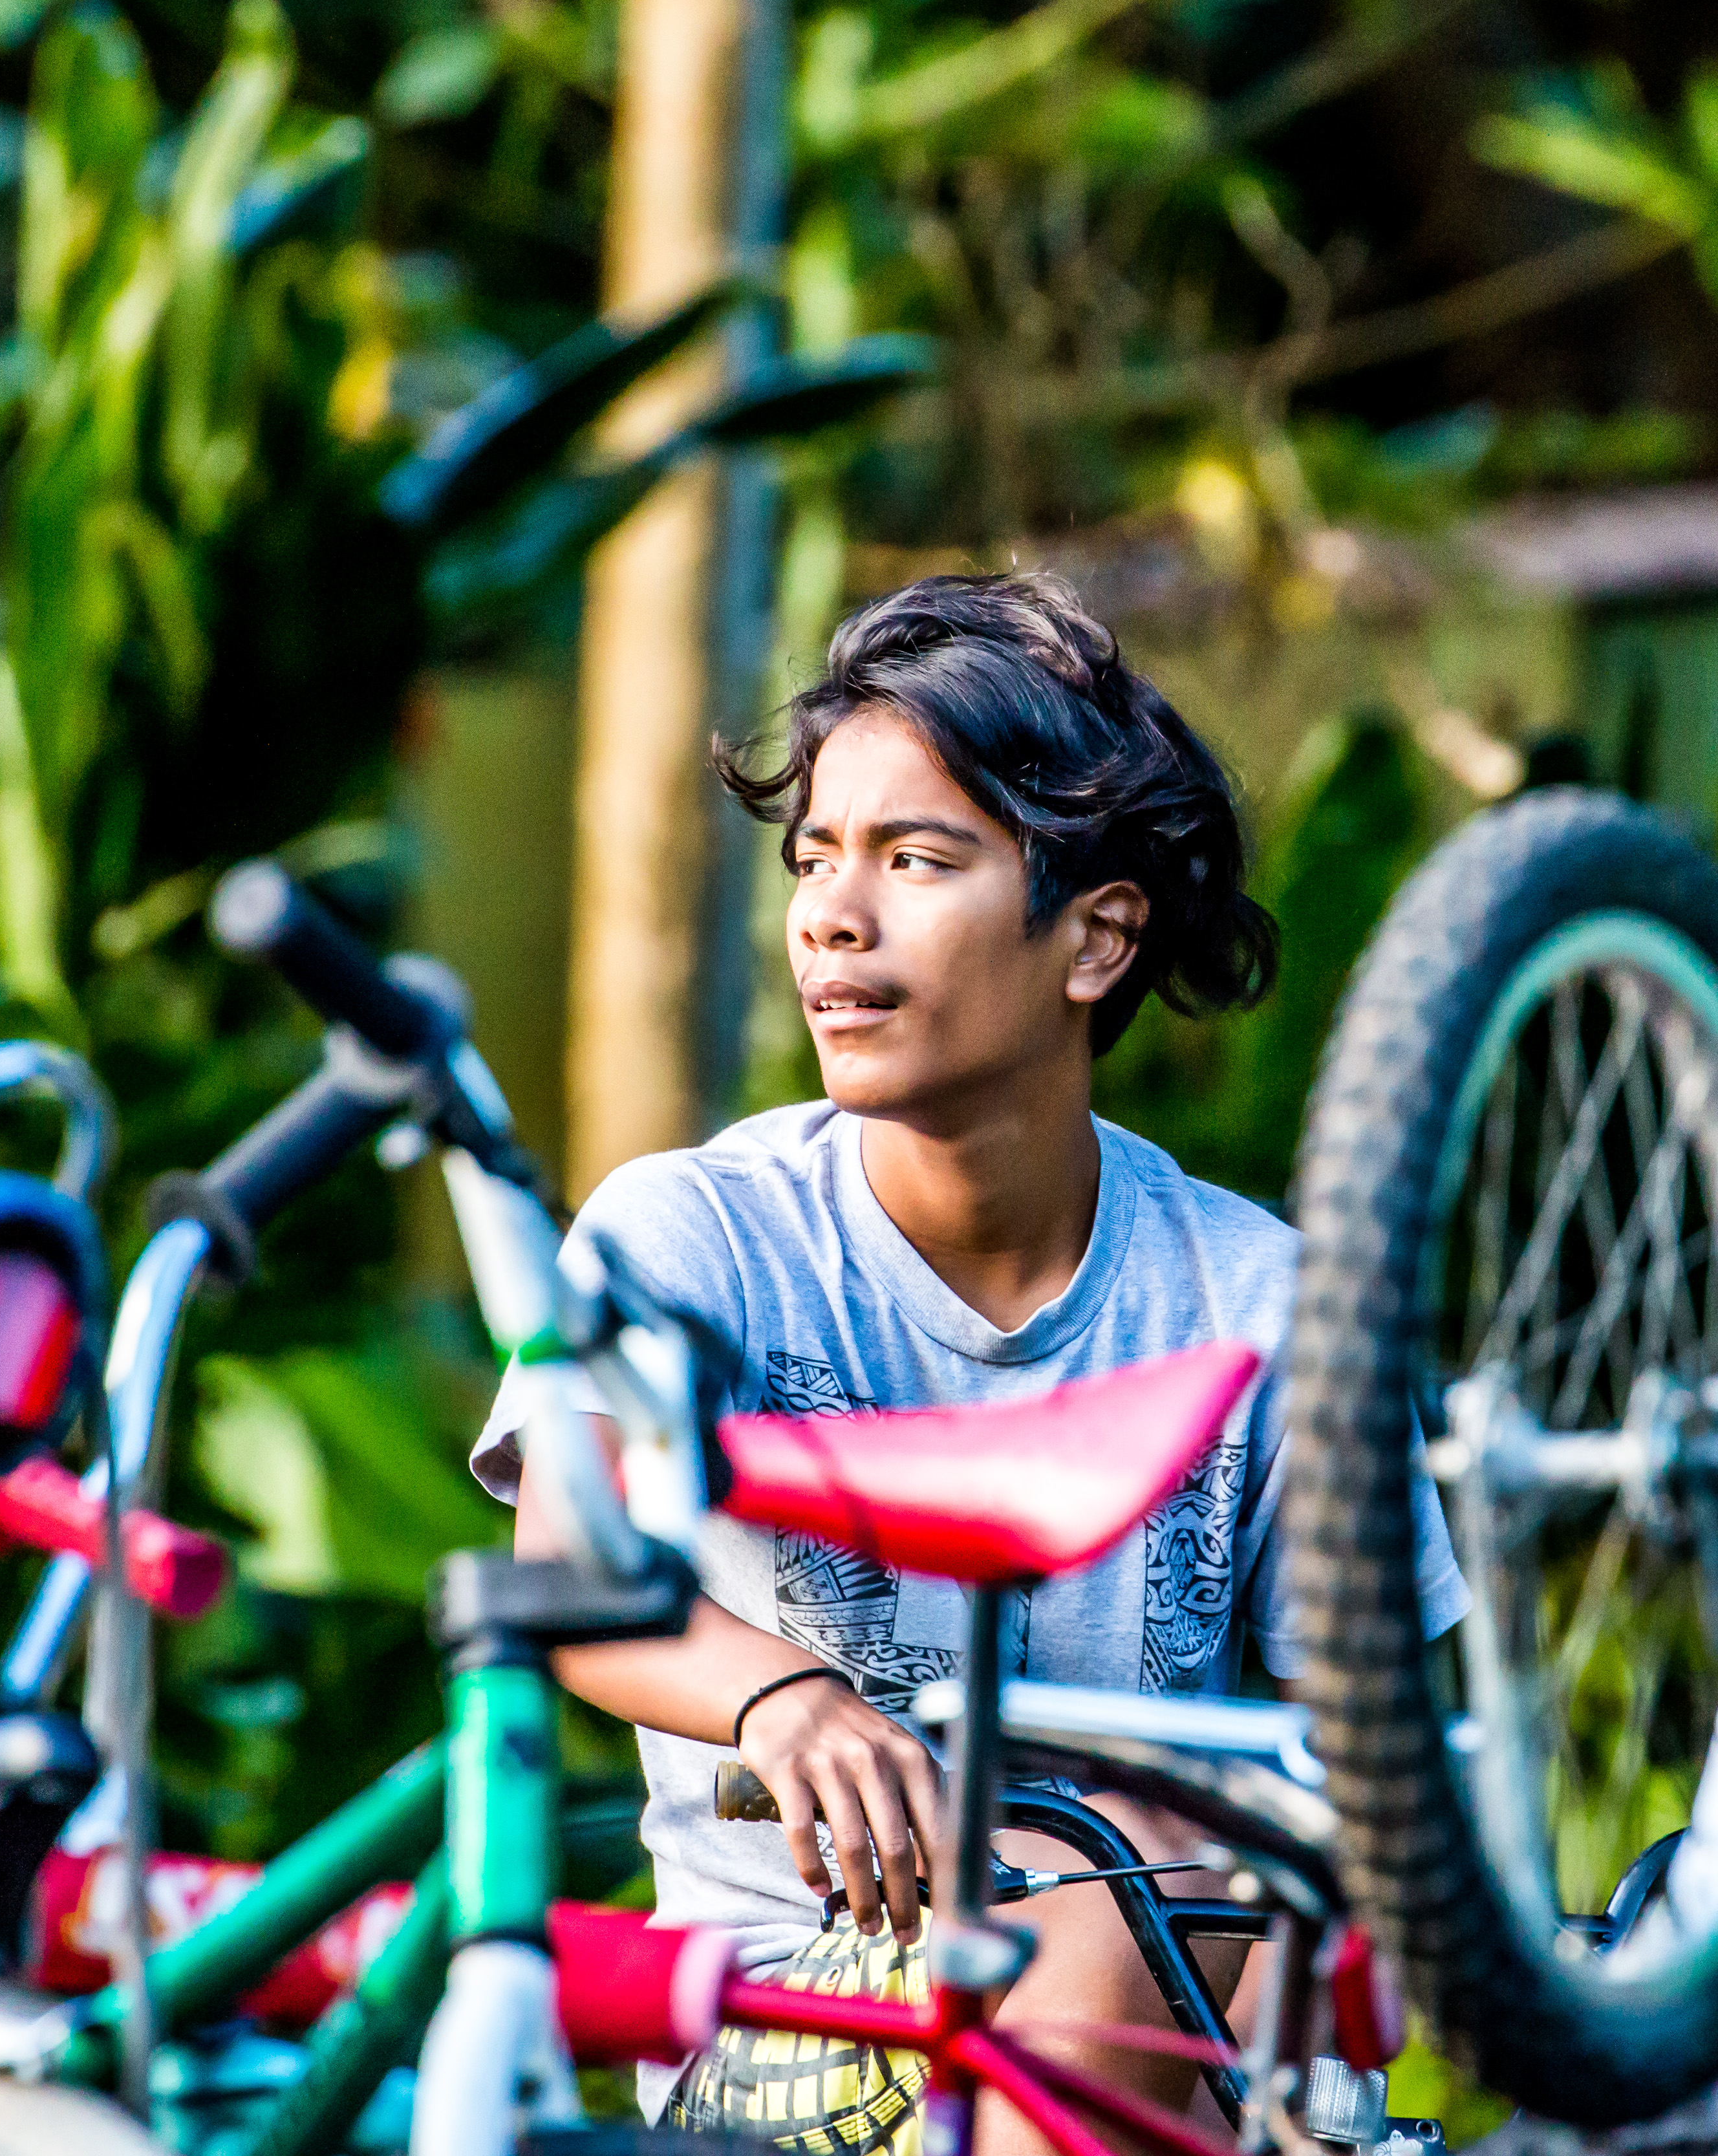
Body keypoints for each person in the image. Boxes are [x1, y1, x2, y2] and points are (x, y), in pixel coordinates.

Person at [467, 572, 1464, 2156]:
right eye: (814, 860)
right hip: (803, 2037)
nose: (830, 917)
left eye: (916, 861)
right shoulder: (690, 1233)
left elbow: (1365, 1768)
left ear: (1096, 940)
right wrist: (784, 1702)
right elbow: (572, 1565)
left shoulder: (1265, 1302)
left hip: (1173, 2031)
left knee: (1173, 1866)